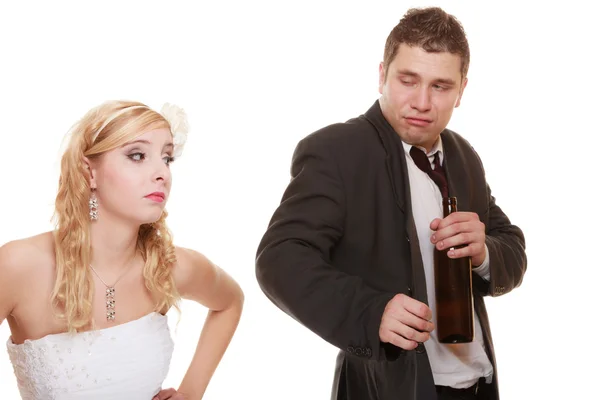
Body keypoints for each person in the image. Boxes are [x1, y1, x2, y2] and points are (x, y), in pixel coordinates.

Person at [255, 7, 526, 400]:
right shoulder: (336, 151)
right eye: (408, 80)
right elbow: (279, 259)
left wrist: (484, 251)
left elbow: (511, 245)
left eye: (440, 86)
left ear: (462, 90)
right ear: (382, 74)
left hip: (478, 383)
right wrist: (370, 312)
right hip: (389, 388)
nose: (422, 102)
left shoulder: (463, 154)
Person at [0, 100, 244, 399]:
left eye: (167, 158)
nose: (162, 174)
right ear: (90, 173)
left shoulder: (169, 266)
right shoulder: (18, 265)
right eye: (138, 155)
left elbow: (230, 302)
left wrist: (191, 392)